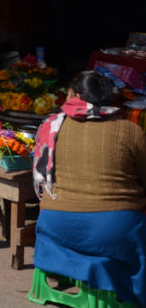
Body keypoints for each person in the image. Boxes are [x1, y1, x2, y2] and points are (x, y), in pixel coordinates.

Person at [32, 70, 146, 305]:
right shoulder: (131, 130)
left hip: (56, 226)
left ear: (75, 95)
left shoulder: (50, 125)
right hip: (114, 232)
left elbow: (40, 181)